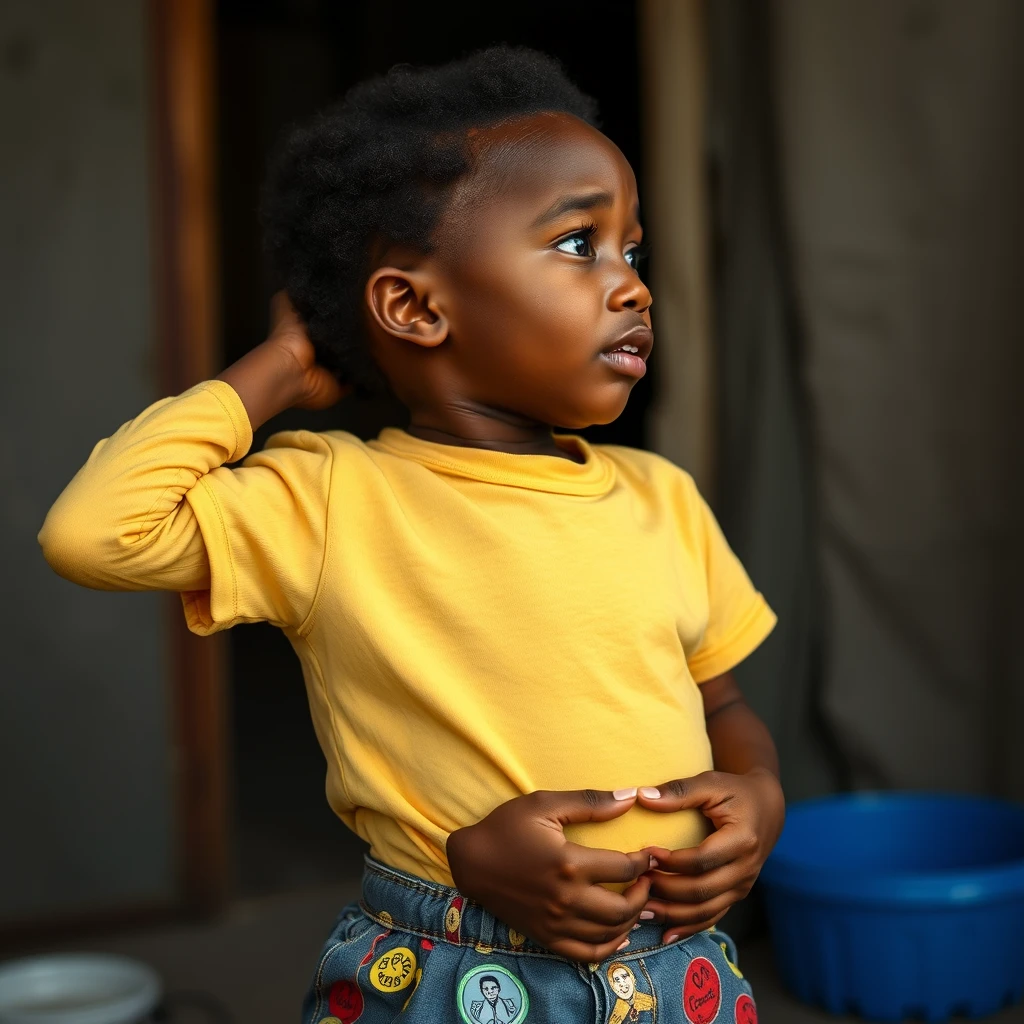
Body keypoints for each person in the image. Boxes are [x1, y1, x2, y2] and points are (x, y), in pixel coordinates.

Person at [39, 46, 783, 1023]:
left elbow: (720, 700)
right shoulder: (329, 499)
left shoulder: (660, 497)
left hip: (680, 969)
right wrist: (279, 367)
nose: (632, 285)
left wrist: (759, 793)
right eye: (577, 245)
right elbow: (95, 532)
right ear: (414, 306)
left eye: (630, 251)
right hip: (452, 969)